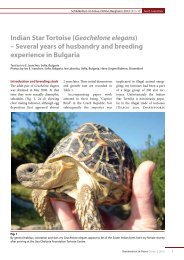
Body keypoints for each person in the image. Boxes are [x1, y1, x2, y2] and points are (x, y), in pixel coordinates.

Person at [51, 161, 158, 230]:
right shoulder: (53, 181)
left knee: (84, 196)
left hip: (90, 184)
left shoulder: (84, 185)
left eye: (32, 170)